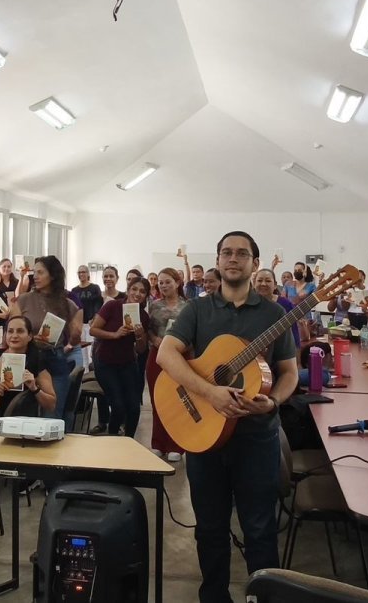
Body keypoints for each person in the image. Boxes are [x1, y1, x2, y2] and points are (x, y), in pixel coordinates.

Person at [156, 231, 297, 603]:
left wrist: (275, 401)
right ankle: (213, 595)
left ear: (255, 262)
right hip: (204, 434)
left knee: (261, 528)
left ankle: (262, 596)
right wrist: (210, 392)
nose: (233, 259)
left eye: (242, 253)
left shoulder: (274, 314)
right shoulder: (198, 310)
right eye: (226, 253)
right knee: (210, 528)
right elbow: (166, 356)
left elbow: (289, 373)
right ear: (218, 260)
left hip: (256, 436)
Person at [9, 256, 84, 420]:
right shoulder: (24, 299)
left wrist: (75, 333)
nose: (35, 276)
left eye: (40, 272)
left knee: (52, 413)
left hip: (54, 357)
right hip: (28, 358)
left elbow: (75, 338)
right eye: (34, 272)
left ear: (53, 275)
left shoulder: (67, 301)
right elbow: (13, 328)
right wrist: (31, 337)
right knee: (21, 412)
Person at [90, 278, 150, 438]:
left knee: (134, 406)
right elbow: (93, 330)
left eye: (142, 291)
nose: (137, 294)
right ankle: (113, 437)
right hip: (105, 362)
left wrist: (140, 336)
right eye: (134, 289)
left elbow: (141, 349)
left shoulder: (143, 316)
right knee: (118, 405)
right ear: (128, 290)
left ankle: (129, 439)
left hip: (127, 363)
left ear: (146, 296)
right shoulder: (113, 306)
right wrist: (114, 334)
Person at [0, 316, 57, 414]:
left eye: (20, 331)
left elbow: (51, 405)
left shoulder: (37, 361)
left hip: (18, 422)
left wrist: (34, 389)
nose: (14, 335)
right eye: (10, 331)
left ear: (29, 336)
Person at [145, 269, 188, 461]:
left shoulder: (188, 306)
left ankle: (176, 445)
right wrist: (154, 339)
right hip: (157, 355)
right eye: (160, 283)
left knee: (178, 401)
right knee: (157, 400)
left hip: (180, 356)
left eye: (167, 282)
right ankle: (158, 443)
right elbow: (148, 330)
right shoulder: (153, 306)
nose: (163, 286)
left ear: (177, 283)